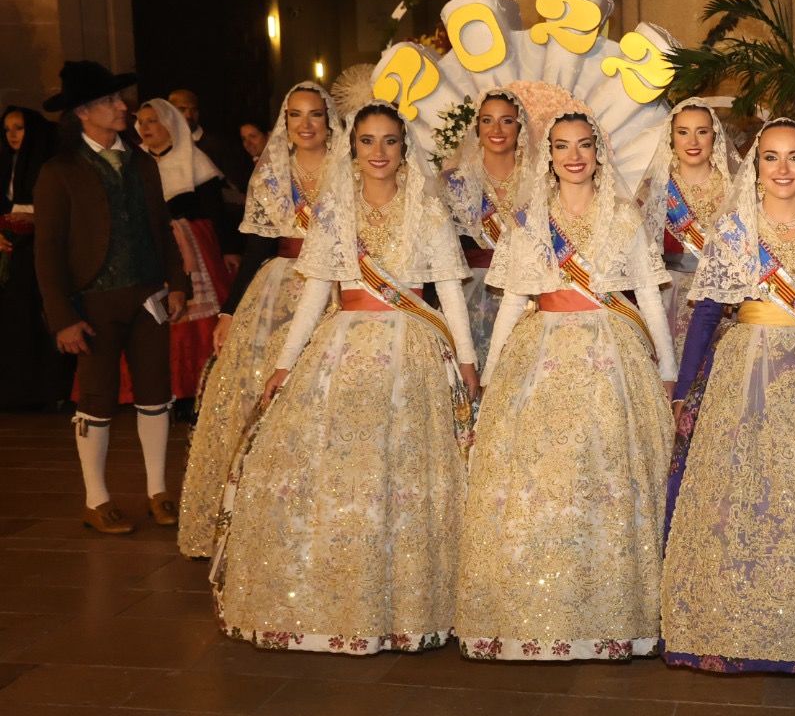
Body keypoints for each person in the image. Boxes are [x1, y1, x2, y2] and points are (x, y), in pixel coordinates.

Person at [211, 101, 476, 654]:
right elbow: (314, 291)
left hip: (412, 349)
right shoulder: (334, 209)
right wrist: (285, 362)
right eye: (367, 142)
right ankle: (334, 593)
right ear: (352, 149)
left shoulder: (425, 209)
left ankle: (406, 598)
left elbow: (449, 287)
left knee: (401, 471)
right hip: (344, 345)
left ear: (405, 150)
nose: (378, 152)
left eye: (390, 142)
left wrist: (469, 361)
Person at [661, 119, 795, 672]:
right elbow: (707, 310)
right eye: (771, 158)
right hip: (745, 371)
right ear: (755, 168)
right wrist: (684, 392)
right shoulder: (734, 231)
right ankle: (738, 620)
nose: (783, 169)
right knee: (745, 490)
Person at [456, 107, 677, 661]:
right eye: (561, 147)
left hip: (611, 353)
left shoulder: (623, 216)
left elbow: (649, 295)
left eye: (583, 145)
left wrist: (668, 370)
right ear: (548, 156)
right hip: (541, 350)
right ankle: (536, 608)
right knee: (539, 477)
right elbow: (511, 299)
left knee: (602, 473)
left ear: (598, 152)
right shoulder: (529, 220)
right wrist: (495, 367)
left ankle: (607, 612)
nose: (573, 156)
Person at [178, 82, 336, 558]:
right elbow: (256, 249)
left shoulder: (349, 170)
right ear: (284, 124)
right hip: (277, 290)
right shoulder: (271, 174)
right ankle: (246, 517)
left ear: (331, 122)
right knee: (255, 390)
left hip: (335, 288)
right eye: (295, 115)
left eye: (315, 115)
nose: (305, 124)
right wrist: (229, 310)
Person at [34, 61, 188, 534]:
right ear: (83, 112)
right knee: (96, 399)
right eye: (110, 102)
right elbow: (47, 252)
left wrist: (177, 281)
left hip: (148, 296)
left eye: (119, 99)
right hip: (92, 305)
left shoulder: (141, 162)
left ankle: (158, 491)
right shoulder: (59, 172)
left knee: (156, 394)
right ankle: (96, 498)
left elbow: (160, 228)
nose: (122, 108)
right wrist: (62, 318)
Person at [133, 98, 239, 401]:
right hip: (151, 247)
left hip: (195, 246)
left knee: (198, 320)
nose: (146, 127)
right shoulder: (136, 164)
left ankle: (199, 387)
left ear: (169, 123)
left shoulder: (194, 160)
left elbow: (216, 212)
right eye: (141, 122)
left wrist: (229, 250)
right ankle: (165, 388)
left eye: (152, 120)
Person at [636, 96, 737, 359]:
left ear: (714, 137)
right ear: (671, 138)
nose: (692, 142)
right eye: (683, 132)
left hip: (724, 300)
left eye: (701, 132)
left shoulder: (736, 190)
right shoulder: (653, 190)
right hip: (667, 298)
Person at [442, 87, 536, 367]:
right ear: (476, 127)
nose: (496, 129)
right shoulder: (453, 184)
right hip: (470, 298)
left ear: (519, 127)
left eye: (506, 120)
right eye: (487, 120)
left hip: (527, 296)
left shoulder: (540, 183)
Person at [0, 106, 72, 409]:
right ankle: (17, 392)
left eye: (19, 128)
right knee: (15, 319)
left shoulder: (49, 164)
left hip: (43, 246)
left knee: (44, 315)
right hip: (11, 249)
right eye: (7, 129)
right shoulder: (5, 163)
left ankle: (50, 391)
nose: (13, 135)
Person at [169, 87, 252, 196]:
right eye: (182, 109)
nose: (189, 115)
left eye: (193, 110)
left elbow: (237, 186)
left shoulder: (217, 146)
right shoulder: (164, 144)